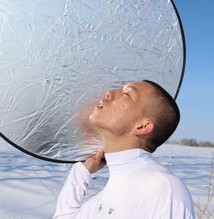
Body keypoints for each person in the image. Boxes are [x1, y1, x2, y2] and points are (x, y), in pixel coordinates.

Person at [54, 80, 195, 218]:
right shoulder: (108, 192)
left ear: (142, 127)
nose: (109, 93)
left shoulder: (164, 190)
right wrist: (81, 172)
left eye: (126, 94)